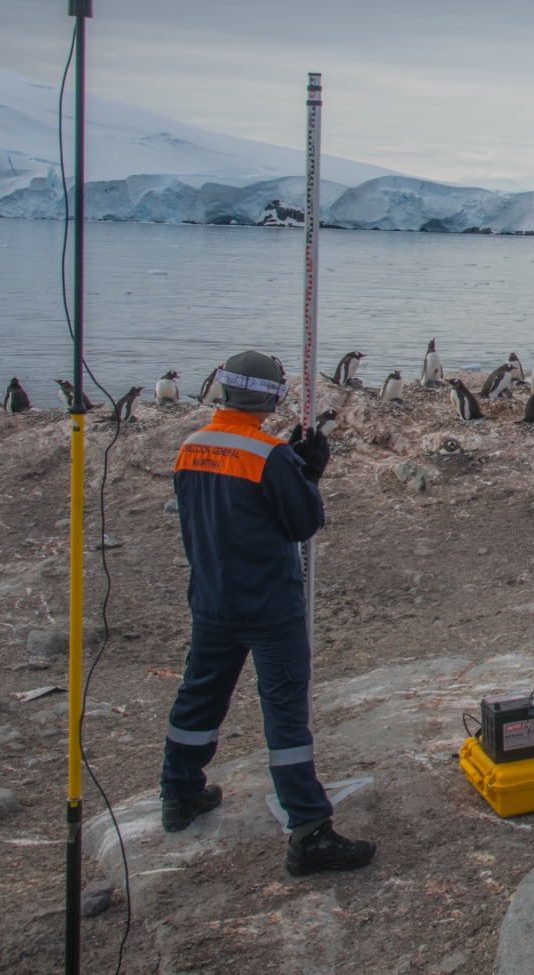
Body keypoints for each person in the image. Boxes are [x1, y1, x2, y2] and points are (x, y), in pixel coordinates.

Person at [159, 349, 375, 876]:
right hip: (269, 604)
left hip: (211, 599)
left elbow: (219, 513)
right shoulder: (267, 453)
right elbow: (302, 523)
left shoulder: (191, 447)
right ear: (274, 396)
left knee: (200, 696)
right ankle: (308, 831)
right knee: (284, 714)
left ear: (224, 390)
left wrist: (292, 470)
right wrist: (308, 473)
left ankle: (179, 793)